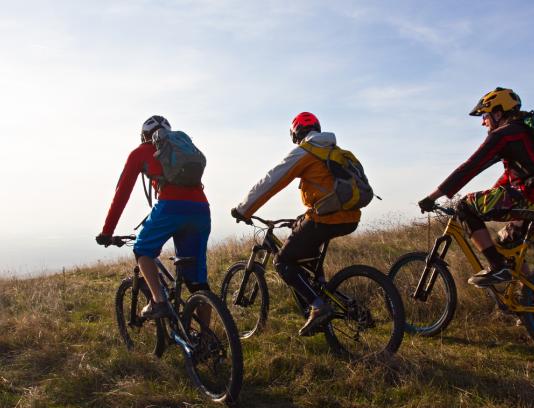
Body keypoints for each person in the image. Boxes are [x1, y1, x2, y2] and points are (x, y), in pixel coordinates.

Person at [418, 88, 534, 287]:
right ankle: (530, 303)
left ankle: (496, 267)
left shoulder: (504, 134)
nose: (483, 122)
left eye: (485, 116)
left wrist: (432, 196)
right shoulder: (527, 133)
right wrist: (490, 195)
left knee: (464, 206)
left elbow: (471, 166)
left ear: (498, 113)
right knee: (508, 242)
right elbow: (512, 176)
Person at [231, 112, 360, 336]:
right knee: (308, 253)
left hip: (325, 219)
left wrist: (245, 209)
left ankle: (318, 307)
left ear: (296, 134)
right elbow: (328, 192)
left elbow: (271, 181)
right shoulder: (336, 152)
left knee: (282, 262)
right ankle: (321, 291)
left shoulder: (306, 152)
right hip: (350, 218)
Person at [96, 115, 211, 318]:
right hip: (201, 209)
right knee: (198, 283)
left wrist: (107, 232)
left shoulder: (140, 152)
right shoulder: (182, 149)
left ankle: (159, 302)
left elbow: (121, 194)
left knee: (142, 250)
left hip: (170, 208)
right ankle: (204, 342)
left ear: (143, 136)